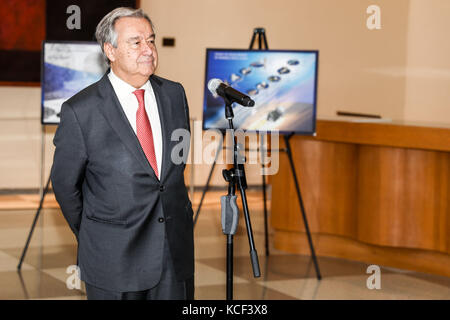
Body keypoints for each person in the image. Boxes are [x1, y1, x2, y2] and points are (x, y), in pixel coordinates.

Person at [50, 7, 194, 300]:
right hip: (113, 258)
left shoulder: (174, 94)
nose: (148, 50)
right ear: (110, 50)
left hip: (173, 254)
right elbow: (66, 187)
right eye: (136, 42)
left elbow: (173, 171)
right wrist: (96, 231)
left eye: (151, 41)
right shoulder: (81, 110)